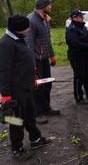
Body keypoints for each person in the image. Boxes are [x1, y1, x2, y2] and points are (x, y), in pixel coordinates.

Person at [0, 15, 52, 161]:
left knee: (30, 114)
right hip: (15, 90)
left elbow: (26, 62)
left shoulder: (20, 39)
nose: (29, 29)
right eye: (26, 27)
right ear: (17, 29)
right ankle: (17, 148)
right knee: (15, 119)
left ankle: (35, 139)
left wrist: (33, 79)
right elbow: (4, 71)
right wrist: (5, 95)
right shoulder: (6, 44)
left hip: (26, 87)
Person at [25, 0, 60, 124]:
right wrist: (33, 65)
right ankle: (37, 112)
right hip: (36, 60)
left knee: (47, 84)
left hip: (44, 58)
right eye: (49, 5)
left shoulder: (45, 19)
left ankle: (46, 107)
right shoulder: (31, 20)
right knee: (37, 87)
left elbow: (47, 39)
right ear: (43, 6)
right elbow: (28, 45)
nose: (50, 7)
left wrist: (52, 54)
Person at [65, 10, 88, 105]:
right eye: (81, 16)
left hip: (84, 55)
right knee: (79, 76)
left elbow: (85, 38)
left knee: (87, 74)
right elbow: (75, 43)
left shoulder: (82, 26)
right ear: (75, 17)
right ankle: (79, 97)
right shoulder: (71, 29)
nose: (83, 18)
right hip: (76, 56)